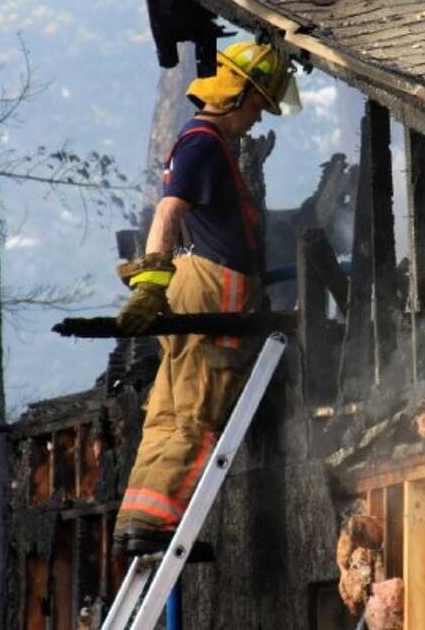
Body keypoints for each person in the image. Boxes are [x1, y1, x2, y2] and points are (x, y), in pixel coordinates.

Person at [111, 40, 300, 556]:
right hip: (213, 290)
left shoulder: (197, 143)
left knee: (169, 408)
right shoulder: (203, 144)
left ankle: (138, 520)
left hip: (193, 285)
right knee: (198, 409)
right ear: (237, 95)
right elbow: (168, 214)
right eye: (258, 106)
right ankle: (161, 526)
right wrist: (148, 282)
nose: (256, 120)